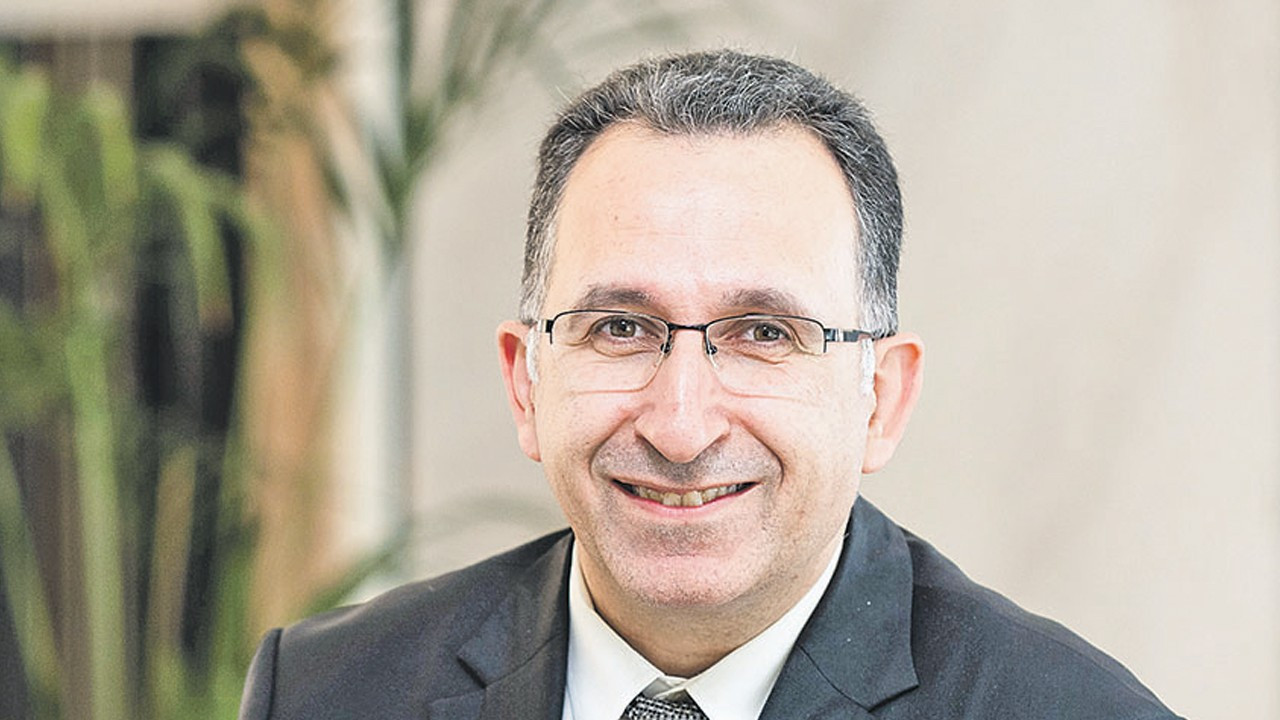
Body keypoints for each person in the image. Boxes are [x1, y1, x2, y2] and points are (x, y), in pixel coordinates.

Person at [238, 50, 1182, 719]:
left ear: (882, 400)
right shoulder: (324, 692)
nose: (681, 426)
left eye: (764, 333)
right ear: (526, 383)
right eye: (619, 328)